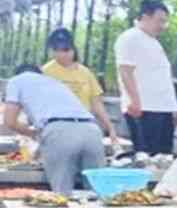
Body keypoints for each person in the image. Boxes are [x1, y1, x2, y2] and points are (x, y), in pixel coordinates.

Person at [3, 64, 108, 194]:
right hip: (92, 130)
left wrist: (33, 134)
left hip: (59, 131)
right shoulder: (55, 82)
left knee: (62, 195)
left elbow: (9, 121)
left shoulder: (16, 81)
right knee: (98, 191)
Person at [115, 0, 177, 155]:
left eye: (165, 22)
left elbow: (164, 78)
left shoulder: (154, 42)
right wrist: (134, 100)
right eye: (160, 21)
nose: (162, 26)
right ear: (145, 17)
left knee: (164, 156)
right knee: (147, 156)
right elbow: (125, 71)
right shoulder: (130, 38)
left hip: (162, 108)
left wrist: (174, 108)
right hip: (144, 108)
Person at [42, 29, 119, 153]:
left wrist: (110, 128)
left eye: (66, 49)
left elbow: (97, 104)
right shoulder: (45, 72)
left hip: (85, 125)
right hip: (57, 126)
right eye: (57, 50)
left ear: (73, 48)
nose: (62, 54)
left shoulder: (85, 73)